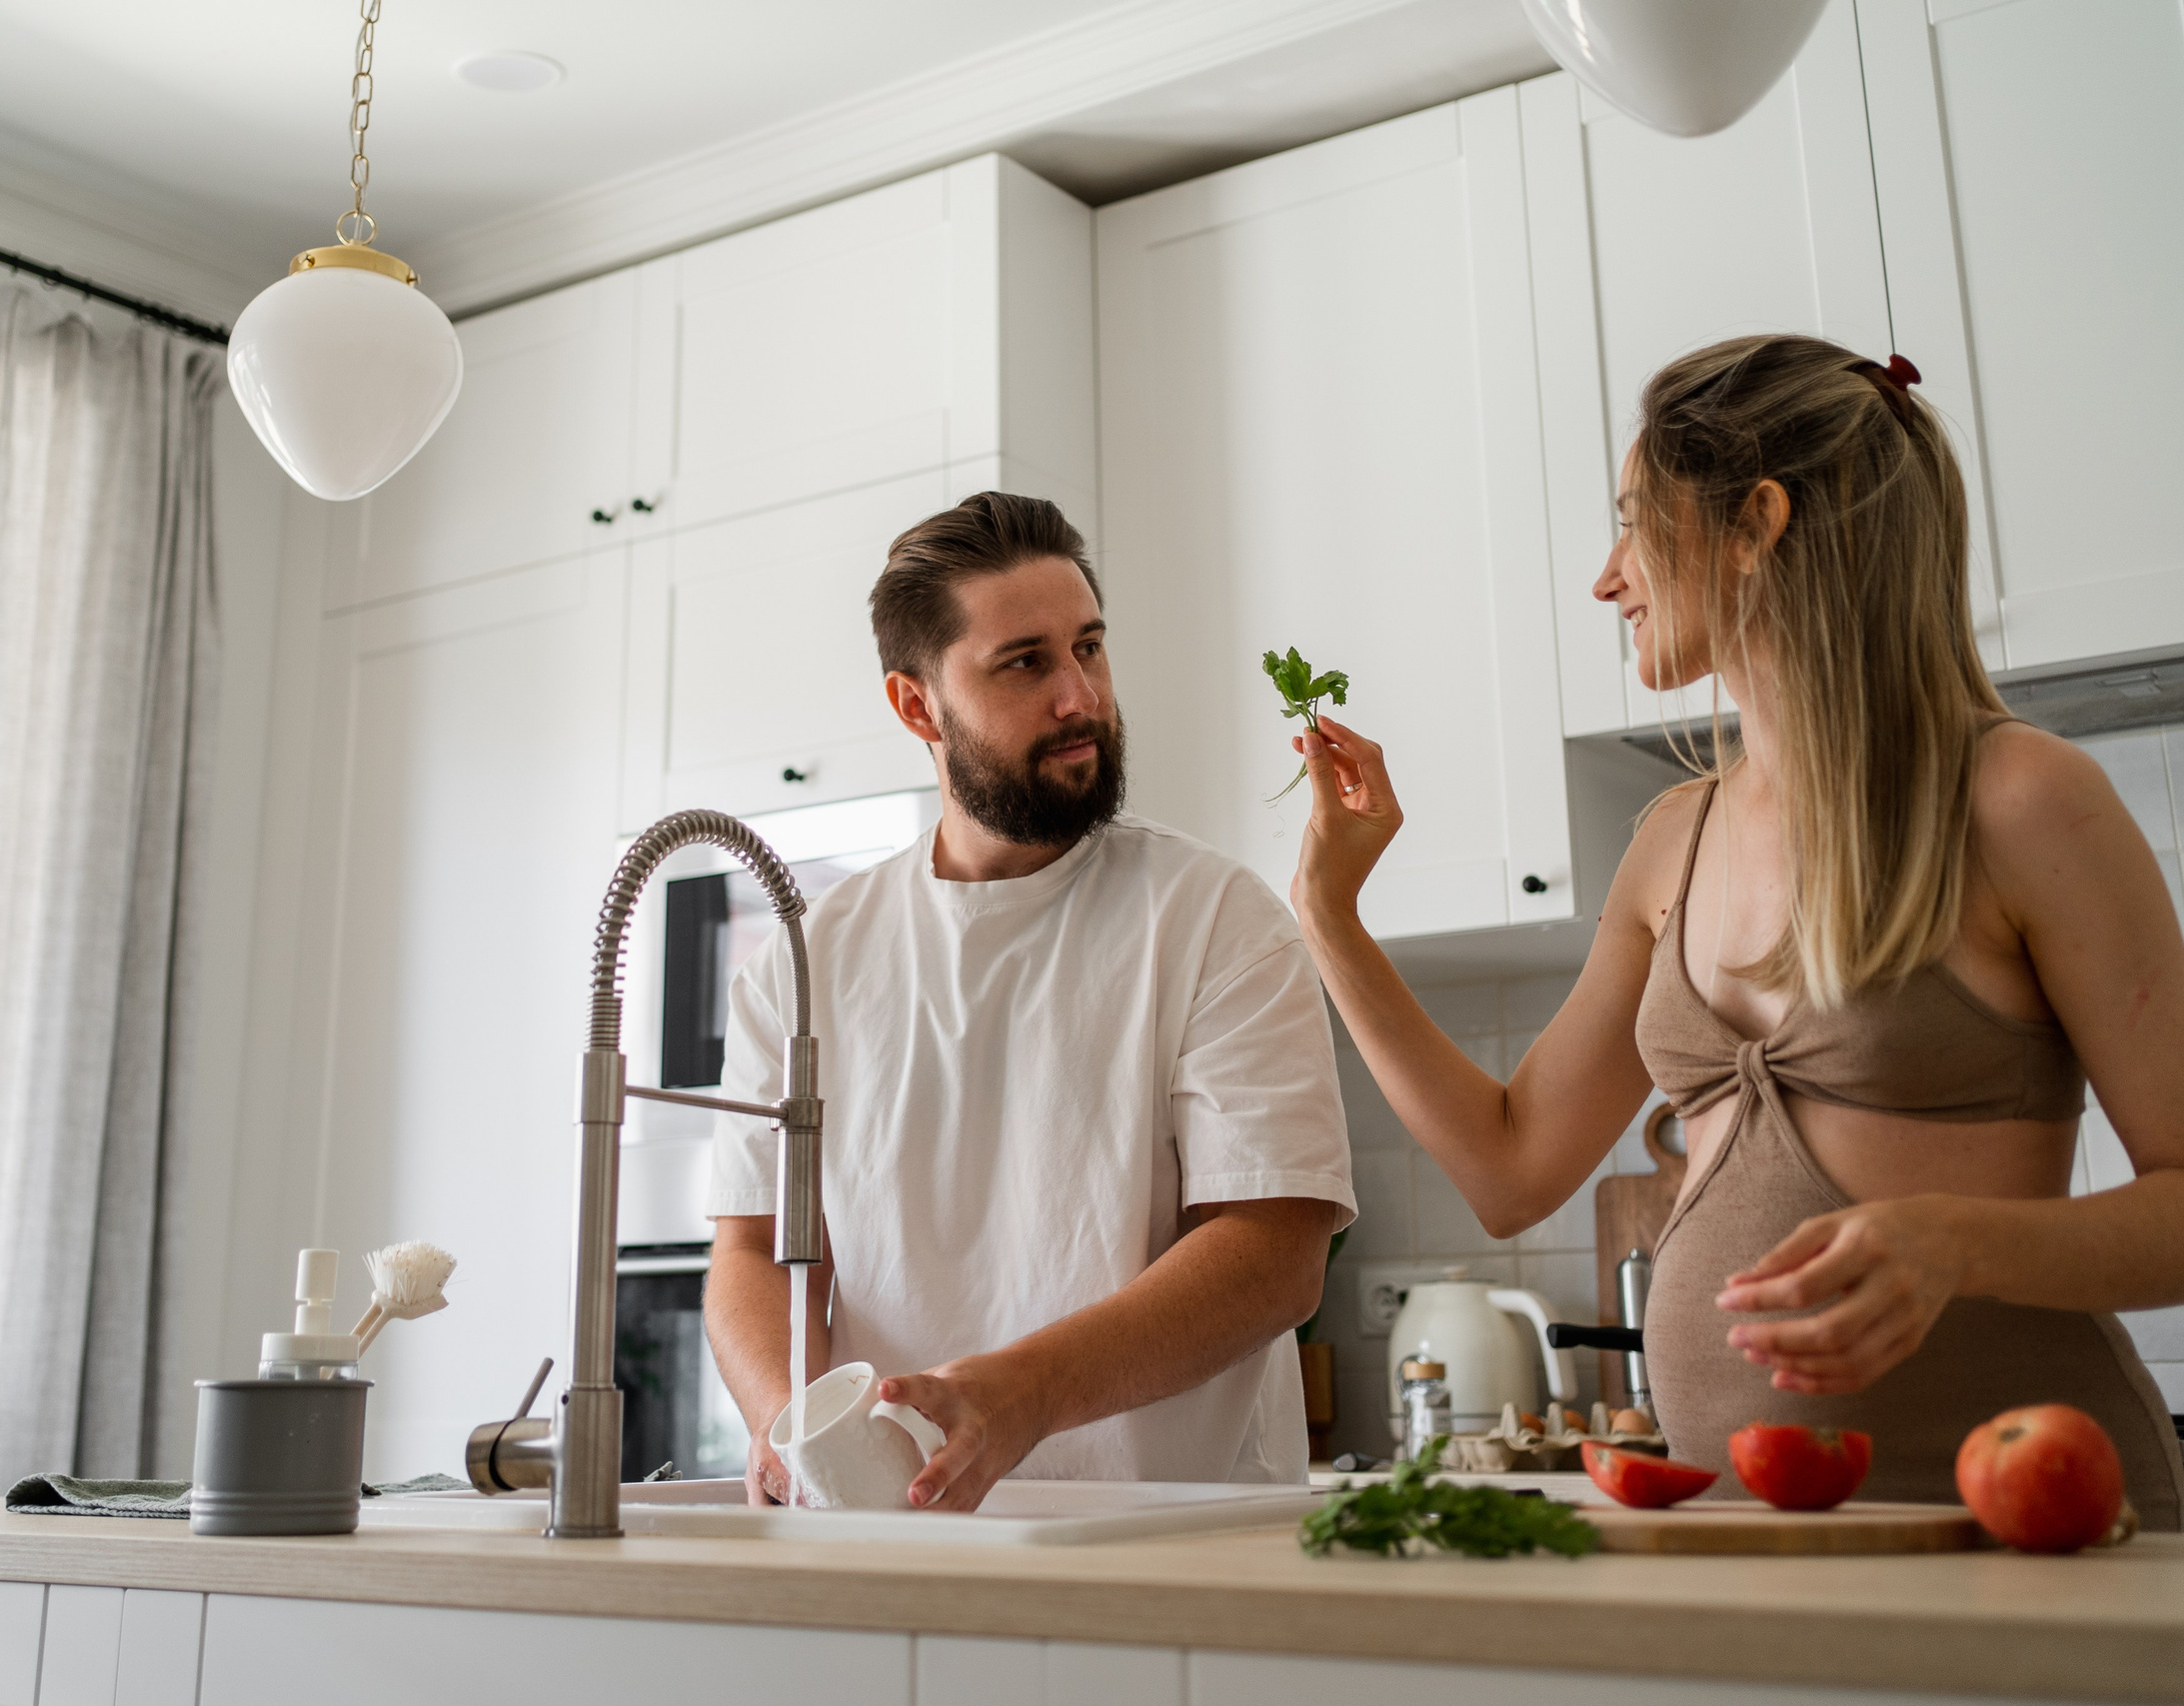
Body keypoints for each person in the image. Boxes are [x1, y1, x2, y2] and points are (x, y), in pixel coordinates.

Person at [1284, 334, 2184, 1521]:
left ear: (1755, 523)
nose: (1606, 580)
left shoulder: (2020, 798)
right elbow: (1508, 1170)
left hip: (2036, 1529)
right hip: (1748, 1529)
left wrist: (1959, 1244)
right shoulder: (1673, 836)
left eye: (1632, 523)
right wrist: (1329, 914)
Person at [703, 492, 1354, 1511]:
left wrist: (1031, 1391)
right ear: (917, 707)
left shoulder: (1217, 917)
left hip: (1171, 1537)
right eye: (1026, 663)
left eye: (1088, 649)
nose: (1079, 696)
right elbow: (753, 1248)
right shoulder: (799, 965)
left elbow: (1275, 1253)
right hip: (895, 1534)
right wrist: (789, 1425)